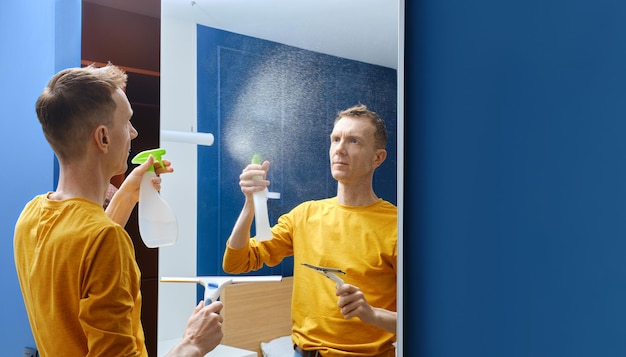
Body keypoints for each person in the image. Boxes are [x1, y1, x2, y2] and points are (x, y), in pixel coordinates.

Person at [14, 63, 224, 357]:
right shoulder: (105, 239)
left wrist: (126, 195)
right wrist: (192, 343)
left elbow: (82, 258)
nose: (135, 133)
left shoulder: (32, 215)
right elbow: (97, 243)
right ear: (103, 138)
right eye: (127, 122)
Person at [223, 104, 397, 356]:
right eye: (335, 139)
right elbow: (236, 262)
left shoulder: (396, 225)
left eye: (354, 141)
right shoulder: (304, 215)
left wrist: (371, 315)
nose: (339, 149)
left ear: (377, 158)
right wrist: (250, 202)